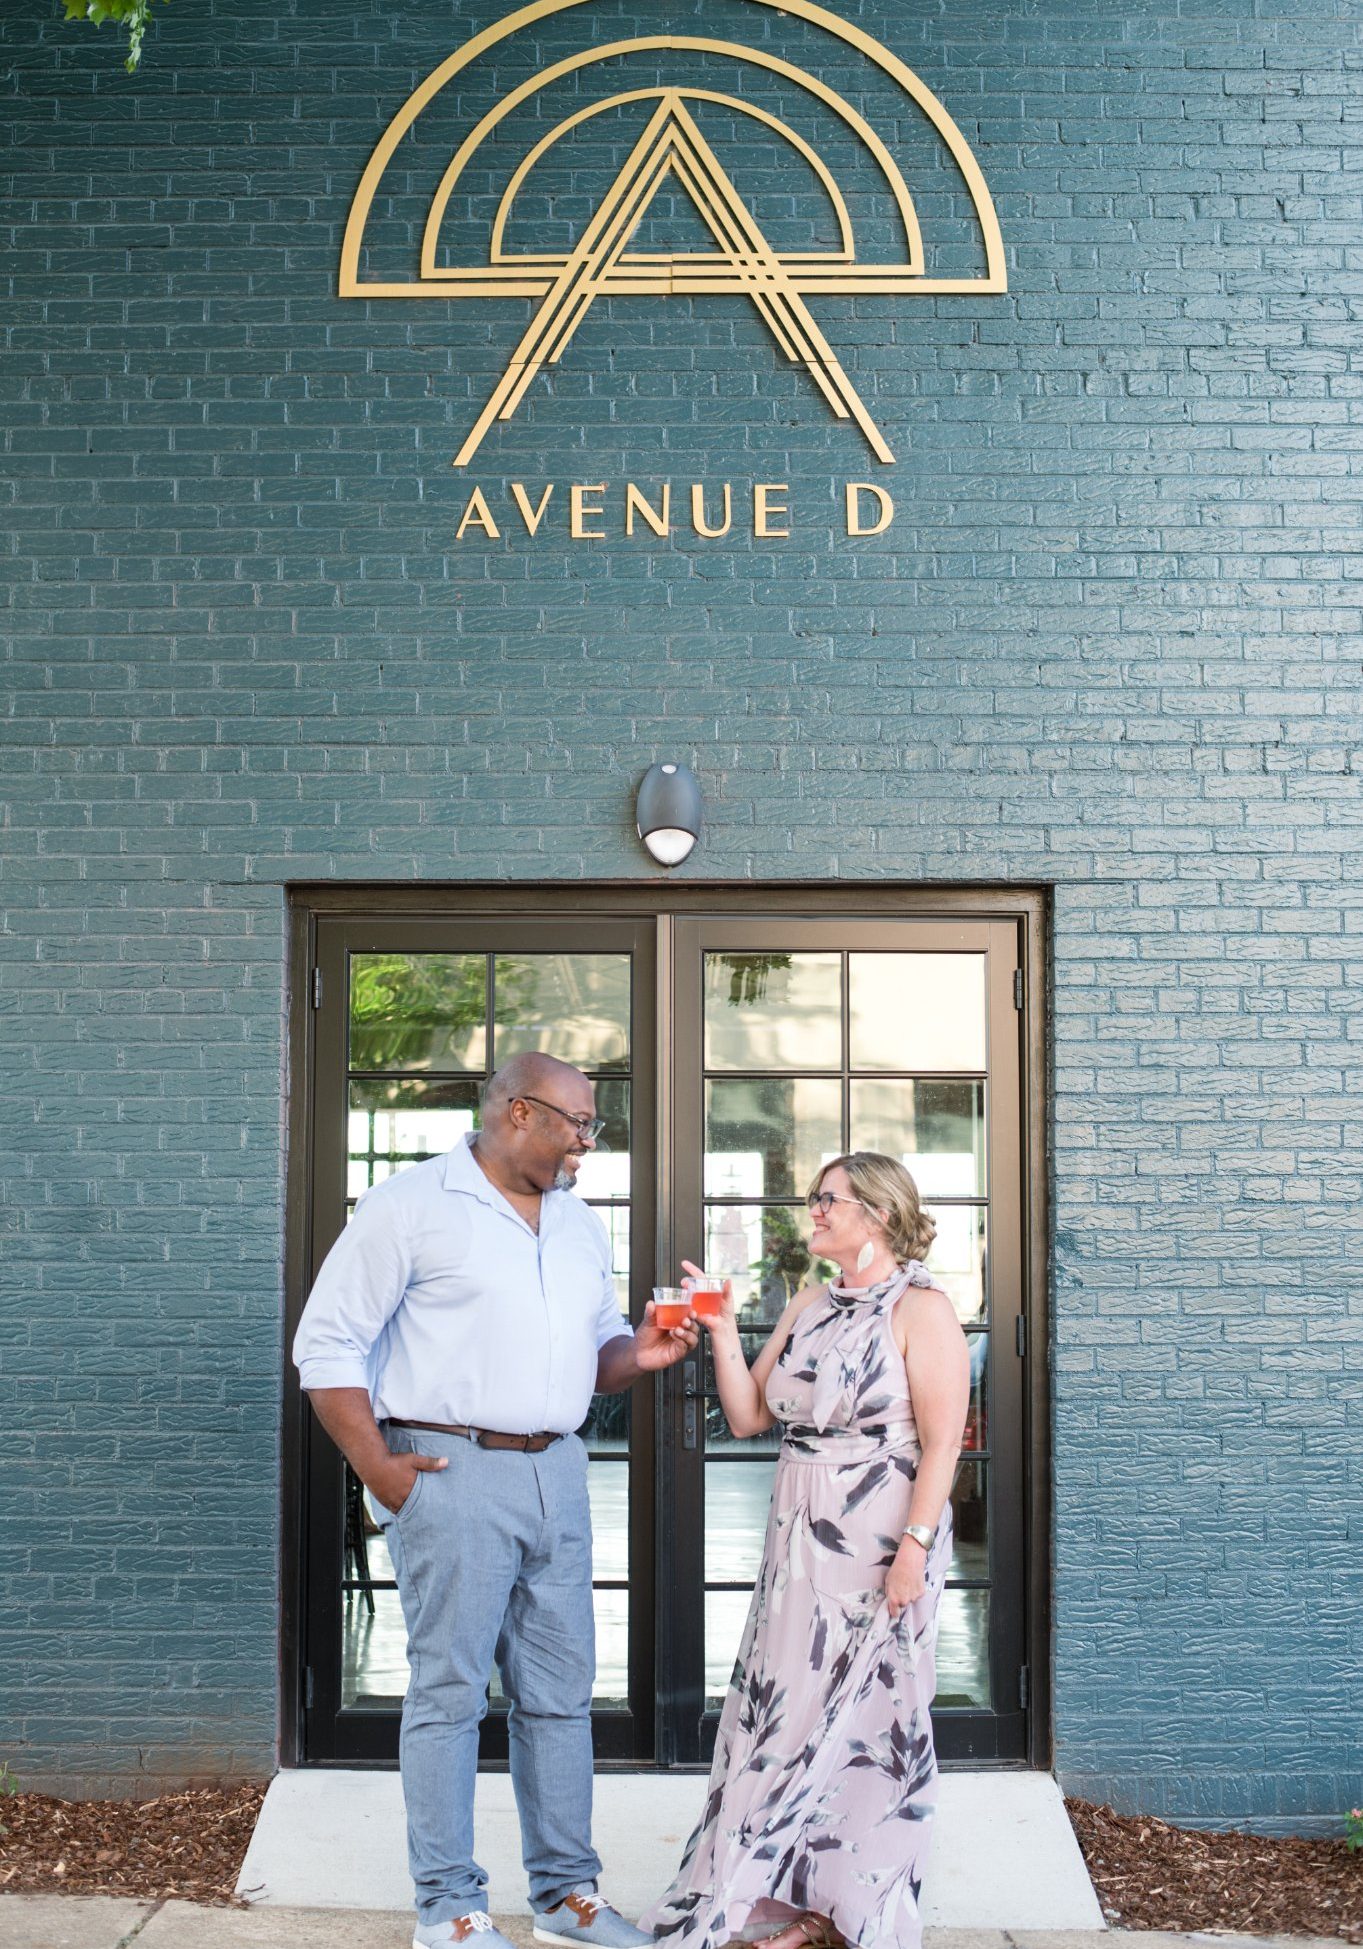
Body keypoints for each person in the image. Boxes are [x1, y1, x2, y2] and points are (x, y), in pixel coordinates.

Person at [294, 1052, 697, 1949]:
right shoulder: (411, 1205)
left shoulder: (579, 1225)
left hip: (557, 1469)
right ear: (520, 1111)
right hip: (448, 1467)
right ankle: (448, 1909)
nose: (588, 1144)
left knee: (559, 1693)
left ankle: (564, 1896)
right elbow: (324, 1347)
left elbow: (601, 1353)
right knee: (447, 1693)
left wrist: (646, 1353)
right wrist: (380, 1469)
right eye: (579, 1124)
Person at [641, 1152, 970, 1949]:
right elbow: (752, 1413)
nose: (813, 1210)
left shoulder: (922, 1308)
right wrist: (720, 1329)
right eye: (814, 1198)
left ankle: (846, 1911)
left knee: (870, 1721)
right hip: (799, 1539)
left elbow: (941, 1442)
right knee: (781, 1715)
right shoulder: (809, 1302)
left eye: (829, 1200)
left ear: (879, 1213)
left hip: (882, 1535)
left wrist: (913, 1548)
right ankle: (776, 1899)